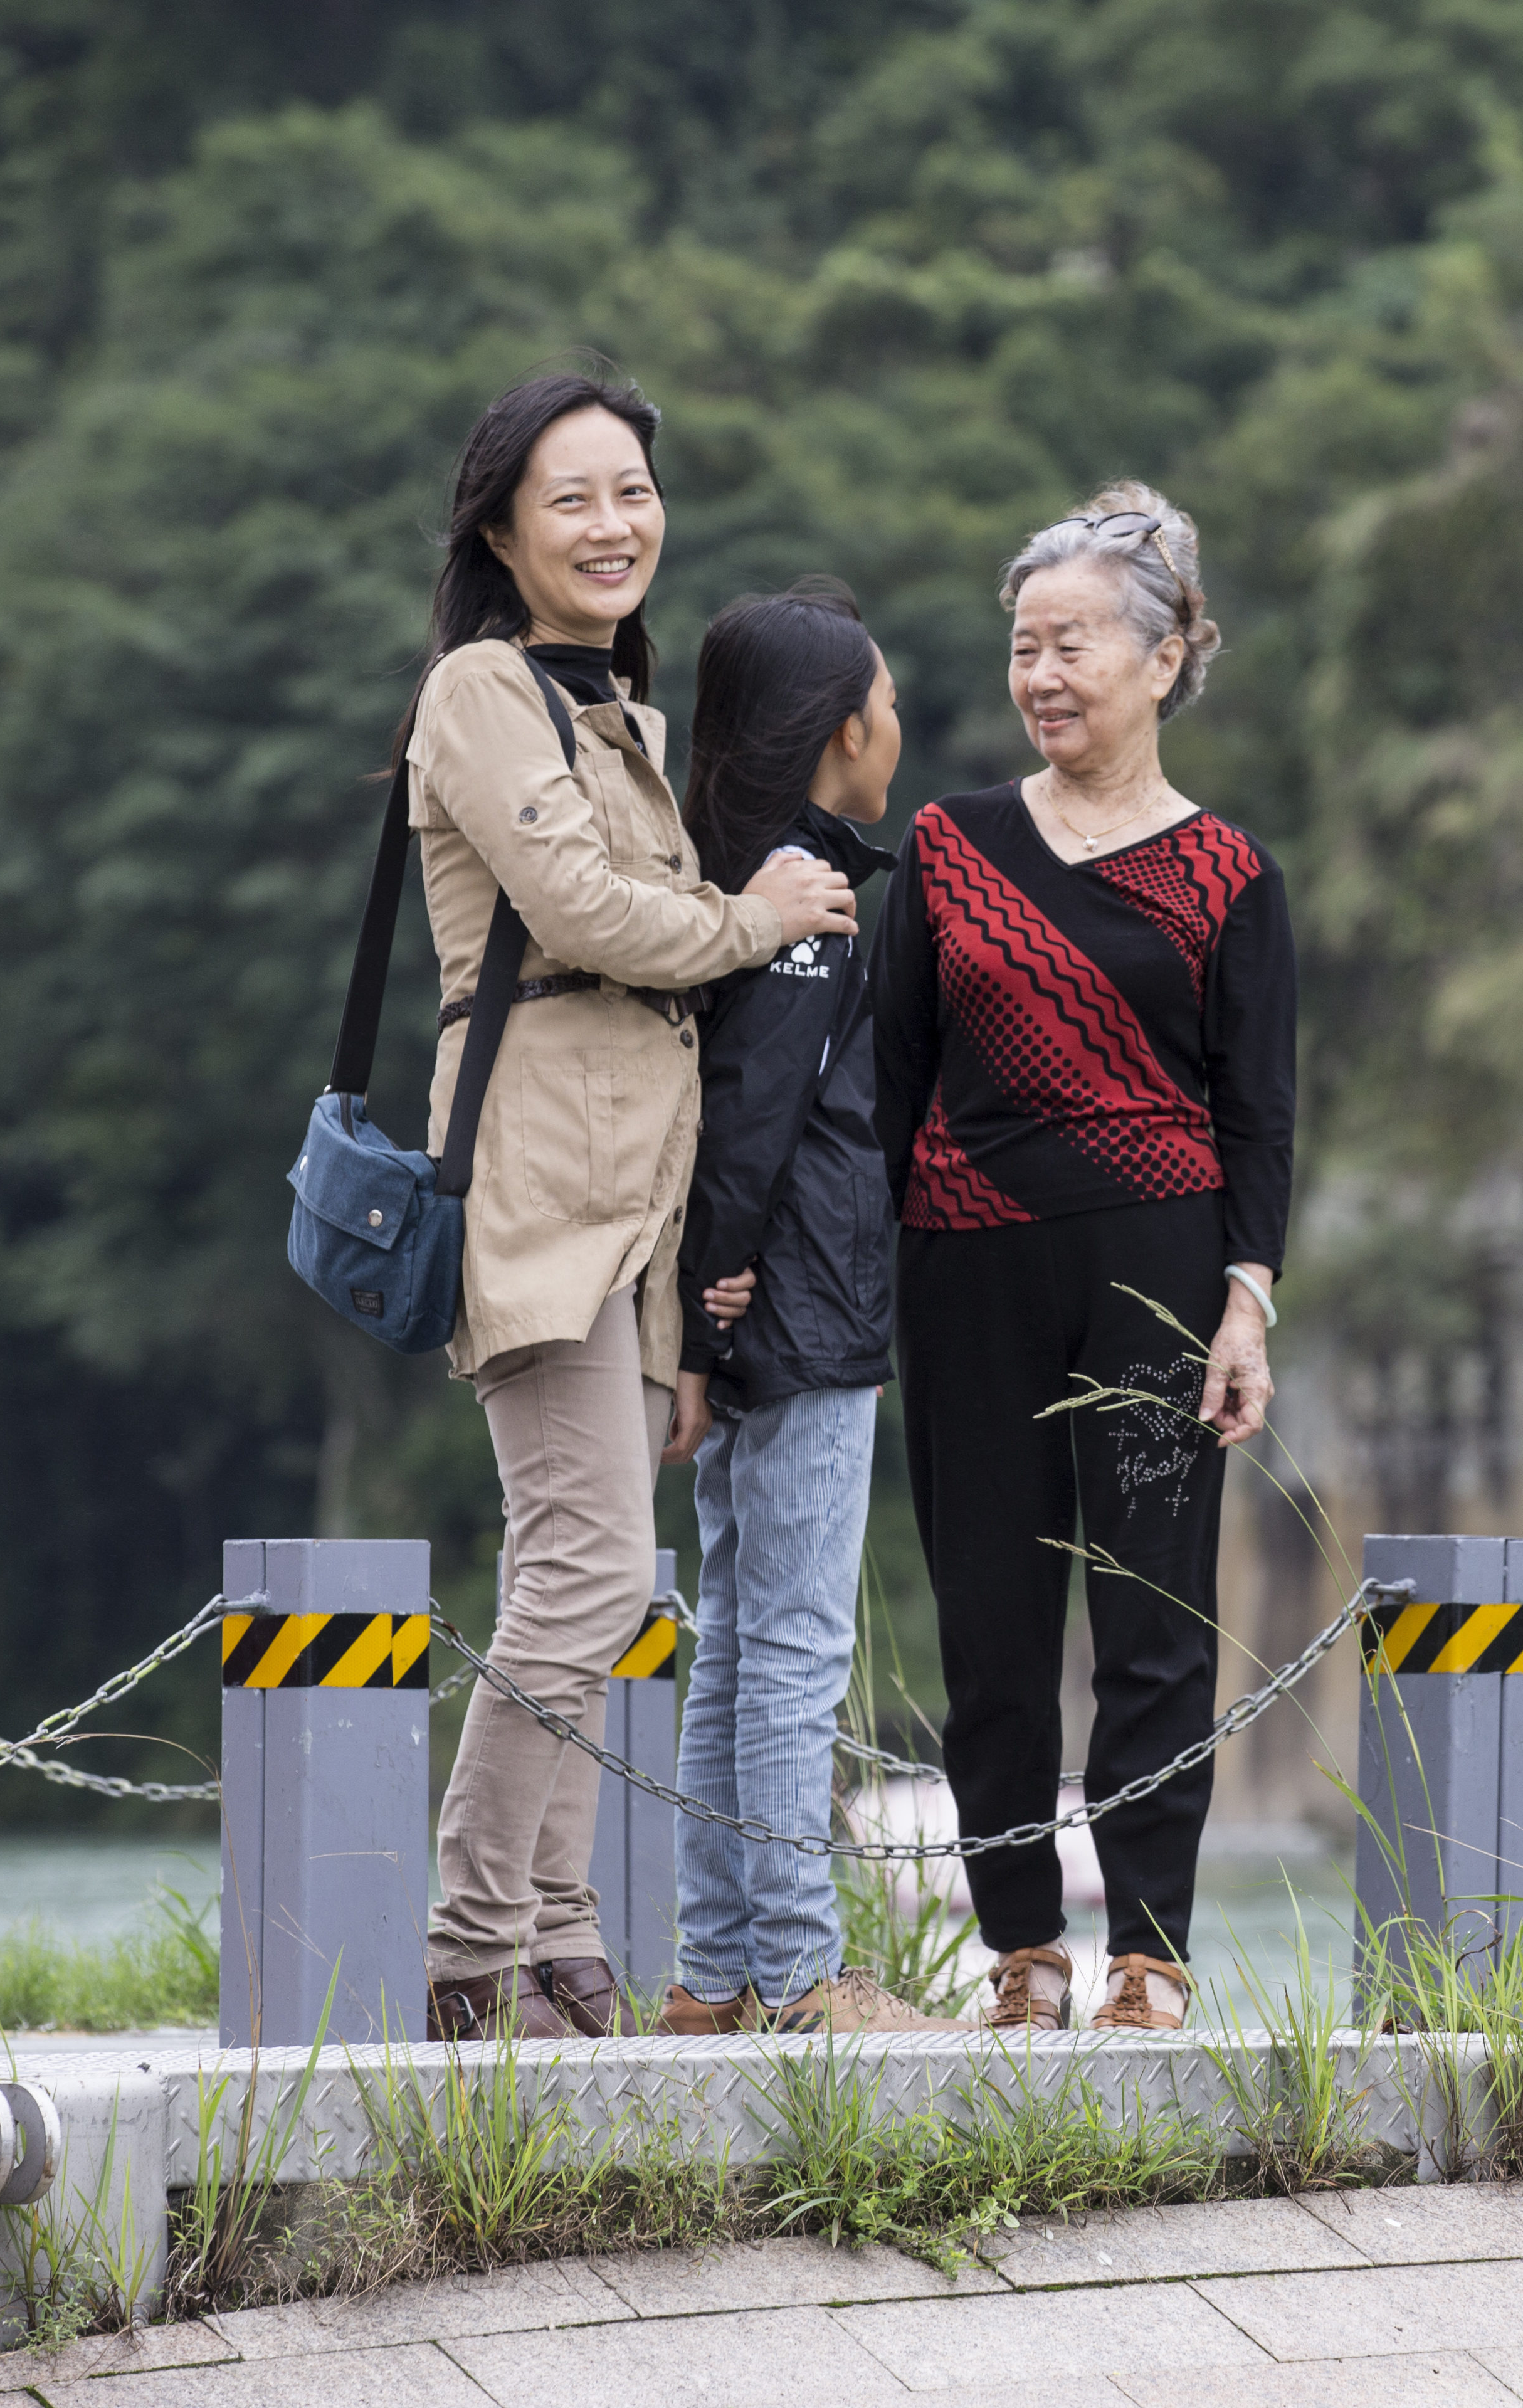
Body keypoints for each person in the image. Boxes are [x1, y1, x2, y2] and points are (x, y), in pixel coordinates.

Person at [408, 367, 859, 2043]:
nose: (616, 525)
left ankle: (561, 1931)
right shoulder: (477, 692)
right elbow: (586, 912)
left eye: (634, 494)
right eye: (575, 497)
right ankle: (472, 1949)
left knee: (596, 1564)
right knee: (591, 1569)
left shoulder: (616, 710)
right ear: (501, 527)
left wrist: (679, 1314)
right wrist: (754, 917)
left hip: (629, 1193)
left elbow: (655, 1035)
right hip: (531, 1169)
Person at [872, 481, 1294, 2034]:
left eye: (1072, 649)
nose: (1042, 678)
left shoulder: (1229, 877)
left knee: (1150, 1619)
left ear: (1166, 658)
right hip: (964, 1267)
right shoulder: (950, 844)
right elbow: (885, 1085)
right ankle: (1024, 1952)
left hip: (1159, 1274)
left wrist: (1246, 1301)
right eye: (1022, 650)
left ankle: (1152, 1956)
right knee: (988, 1624)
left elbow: (1262, 1118)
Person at [656, 581, 961, 2034]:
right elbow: (754, 1111)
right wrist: (717, 1316)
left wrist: (710, 1316)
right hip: (809, 1304)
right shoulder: (815, 898)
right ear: (844, 733)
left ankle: (714, 1972)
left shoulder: (748, 875)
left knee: (733, 1642)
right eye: (887, 701)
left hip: (760, 1305)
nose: (898, 723)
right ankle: (797, 1972)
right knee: (790, 1649)